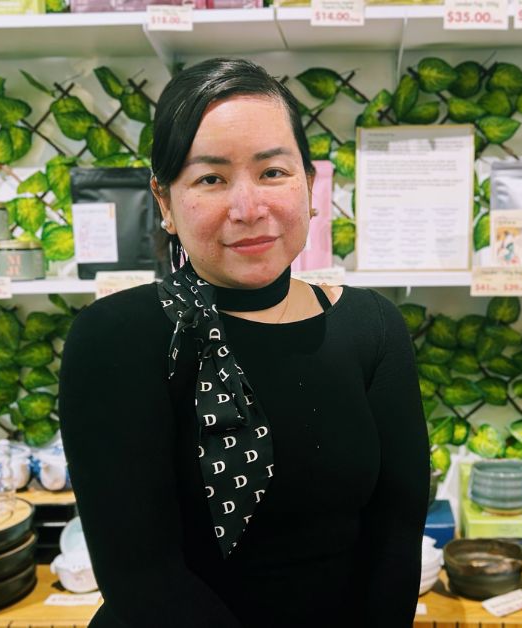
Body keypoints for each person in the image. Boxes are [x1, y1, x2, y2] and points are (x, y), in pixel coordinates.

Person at [59, 57, 430, 627]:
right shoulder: (118, 338)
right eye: (210, 178)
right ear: (165, 202)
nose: (248, 208)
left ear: (309, 184)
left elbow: (397, 533)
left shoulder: (373, 327)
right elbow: (142, 575)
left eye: (273, 172)